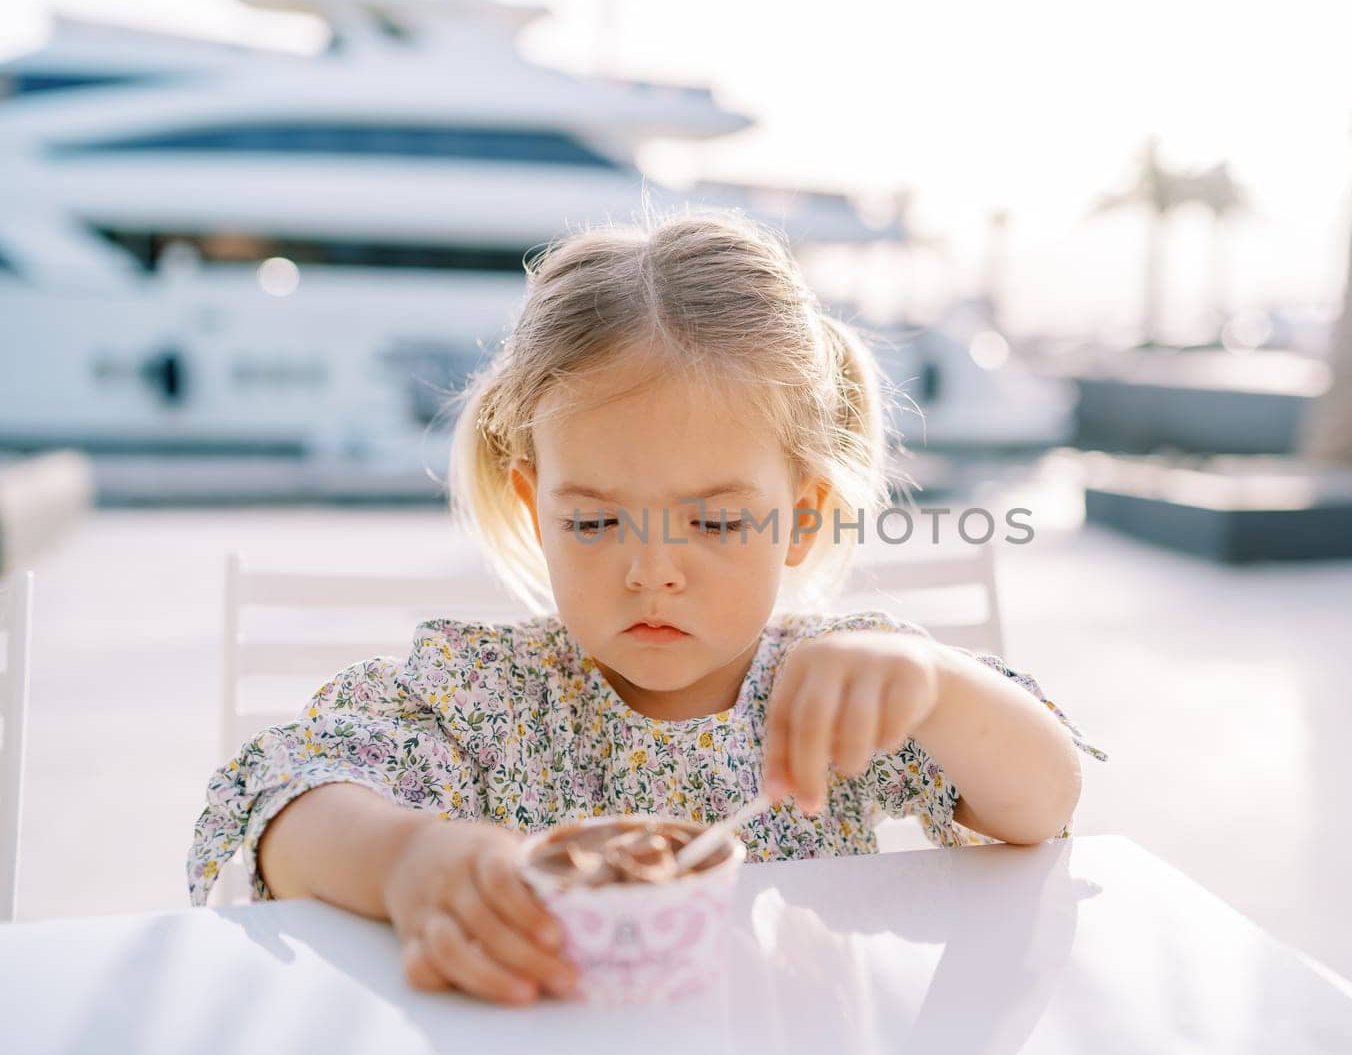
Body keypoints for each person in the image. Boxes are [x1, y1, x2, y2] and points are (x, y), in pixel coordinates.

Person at [185, 209, 1107, 1006]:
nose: (652, 570)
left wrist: (936, 686)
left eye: (713, 518)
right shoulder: (486, 699)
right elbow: (279, 800)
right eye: (592, 520)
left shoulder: (840, 696)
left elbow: (1042, 800)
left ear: (803, 515)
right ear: (530, 505)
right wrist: (403, 862)